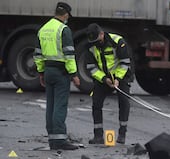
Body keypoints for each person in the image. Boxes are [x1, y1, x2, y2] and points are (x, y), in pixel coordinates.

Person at [33, 2, 81, 150]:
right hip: (61, 72)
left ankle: (52, 139)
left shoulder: (43, 29)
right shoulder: (63, 29)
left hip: (48, 70)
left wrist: (41, 72)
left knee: (51, 105)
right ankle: (59, 140)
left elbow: (38, 54)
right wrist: (74, 74)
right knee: (60, 106)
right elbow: (69, 54)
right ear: (65, 14)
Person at [85, 23, 132, 145]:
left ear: (102, 34)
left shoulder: (117, 42)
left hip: (121, 75)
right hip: (103, 78)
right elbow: (91, 67)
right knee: (96, 103)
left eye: (97, 40)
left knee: (124, 102)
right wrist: (104, 79)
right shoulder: (91, 45)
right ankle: (98, 136)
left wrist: (117, 79)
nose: (95, 43)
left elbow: (125, 62)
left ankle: (122, 134)